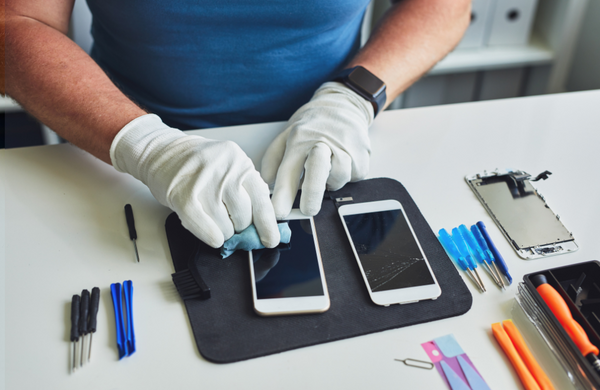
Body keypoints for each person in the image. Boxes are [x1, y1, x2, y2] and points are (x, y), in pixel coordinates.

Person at [4, 1, 470, 249]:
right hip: (124, 153)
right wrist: (145, 146)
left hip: (327, 143)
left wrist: (354, 97)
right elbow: (16, 20)